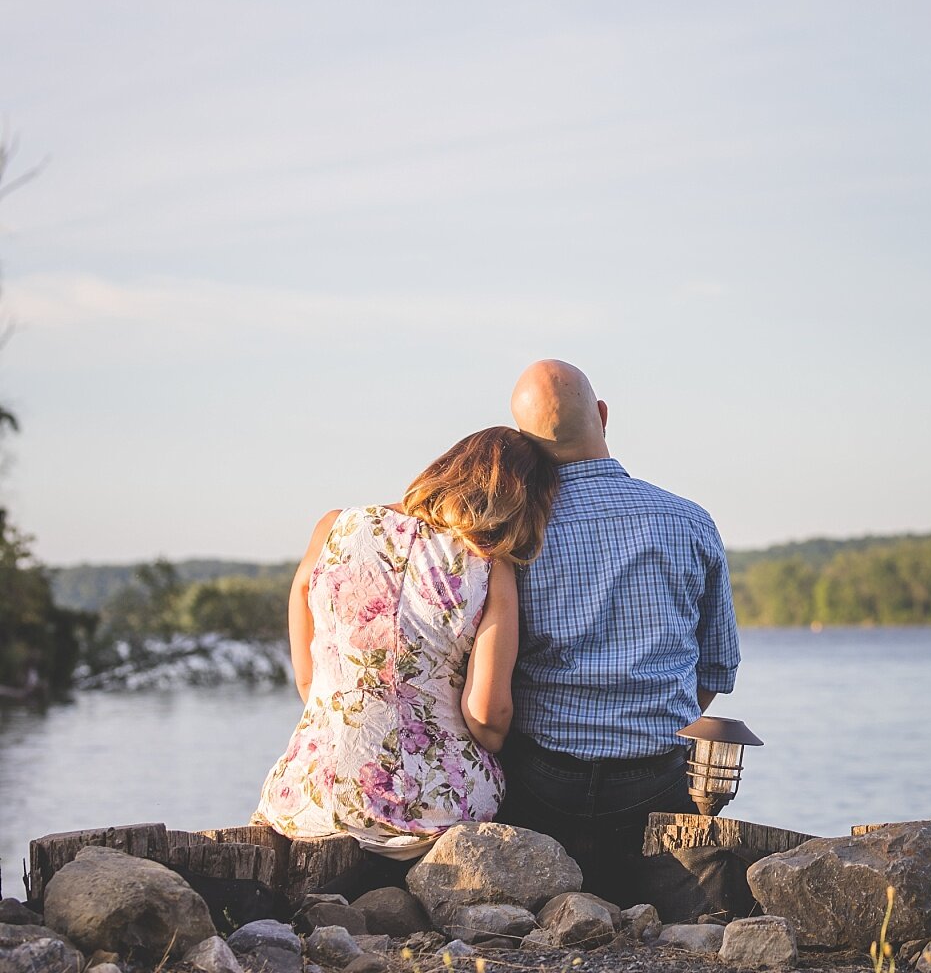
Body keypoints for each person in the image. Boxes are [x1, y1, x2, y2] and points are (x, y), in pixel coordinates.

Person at [254, 426, 556, 880]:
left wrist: (322, 699)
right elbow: (487, 713)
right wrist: (496, 747)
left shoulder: (336, 525)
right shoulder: (490, 564)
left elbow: (301, 603)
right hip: (431, 813)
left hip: (311, 797)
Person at [496, 359, 741, 899]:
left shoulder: (511, 534)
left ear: (520, 440)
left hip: (537, 782)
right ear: (602, 416)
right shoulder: (689, 520)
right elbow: (718, 668)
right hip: (657, 780)